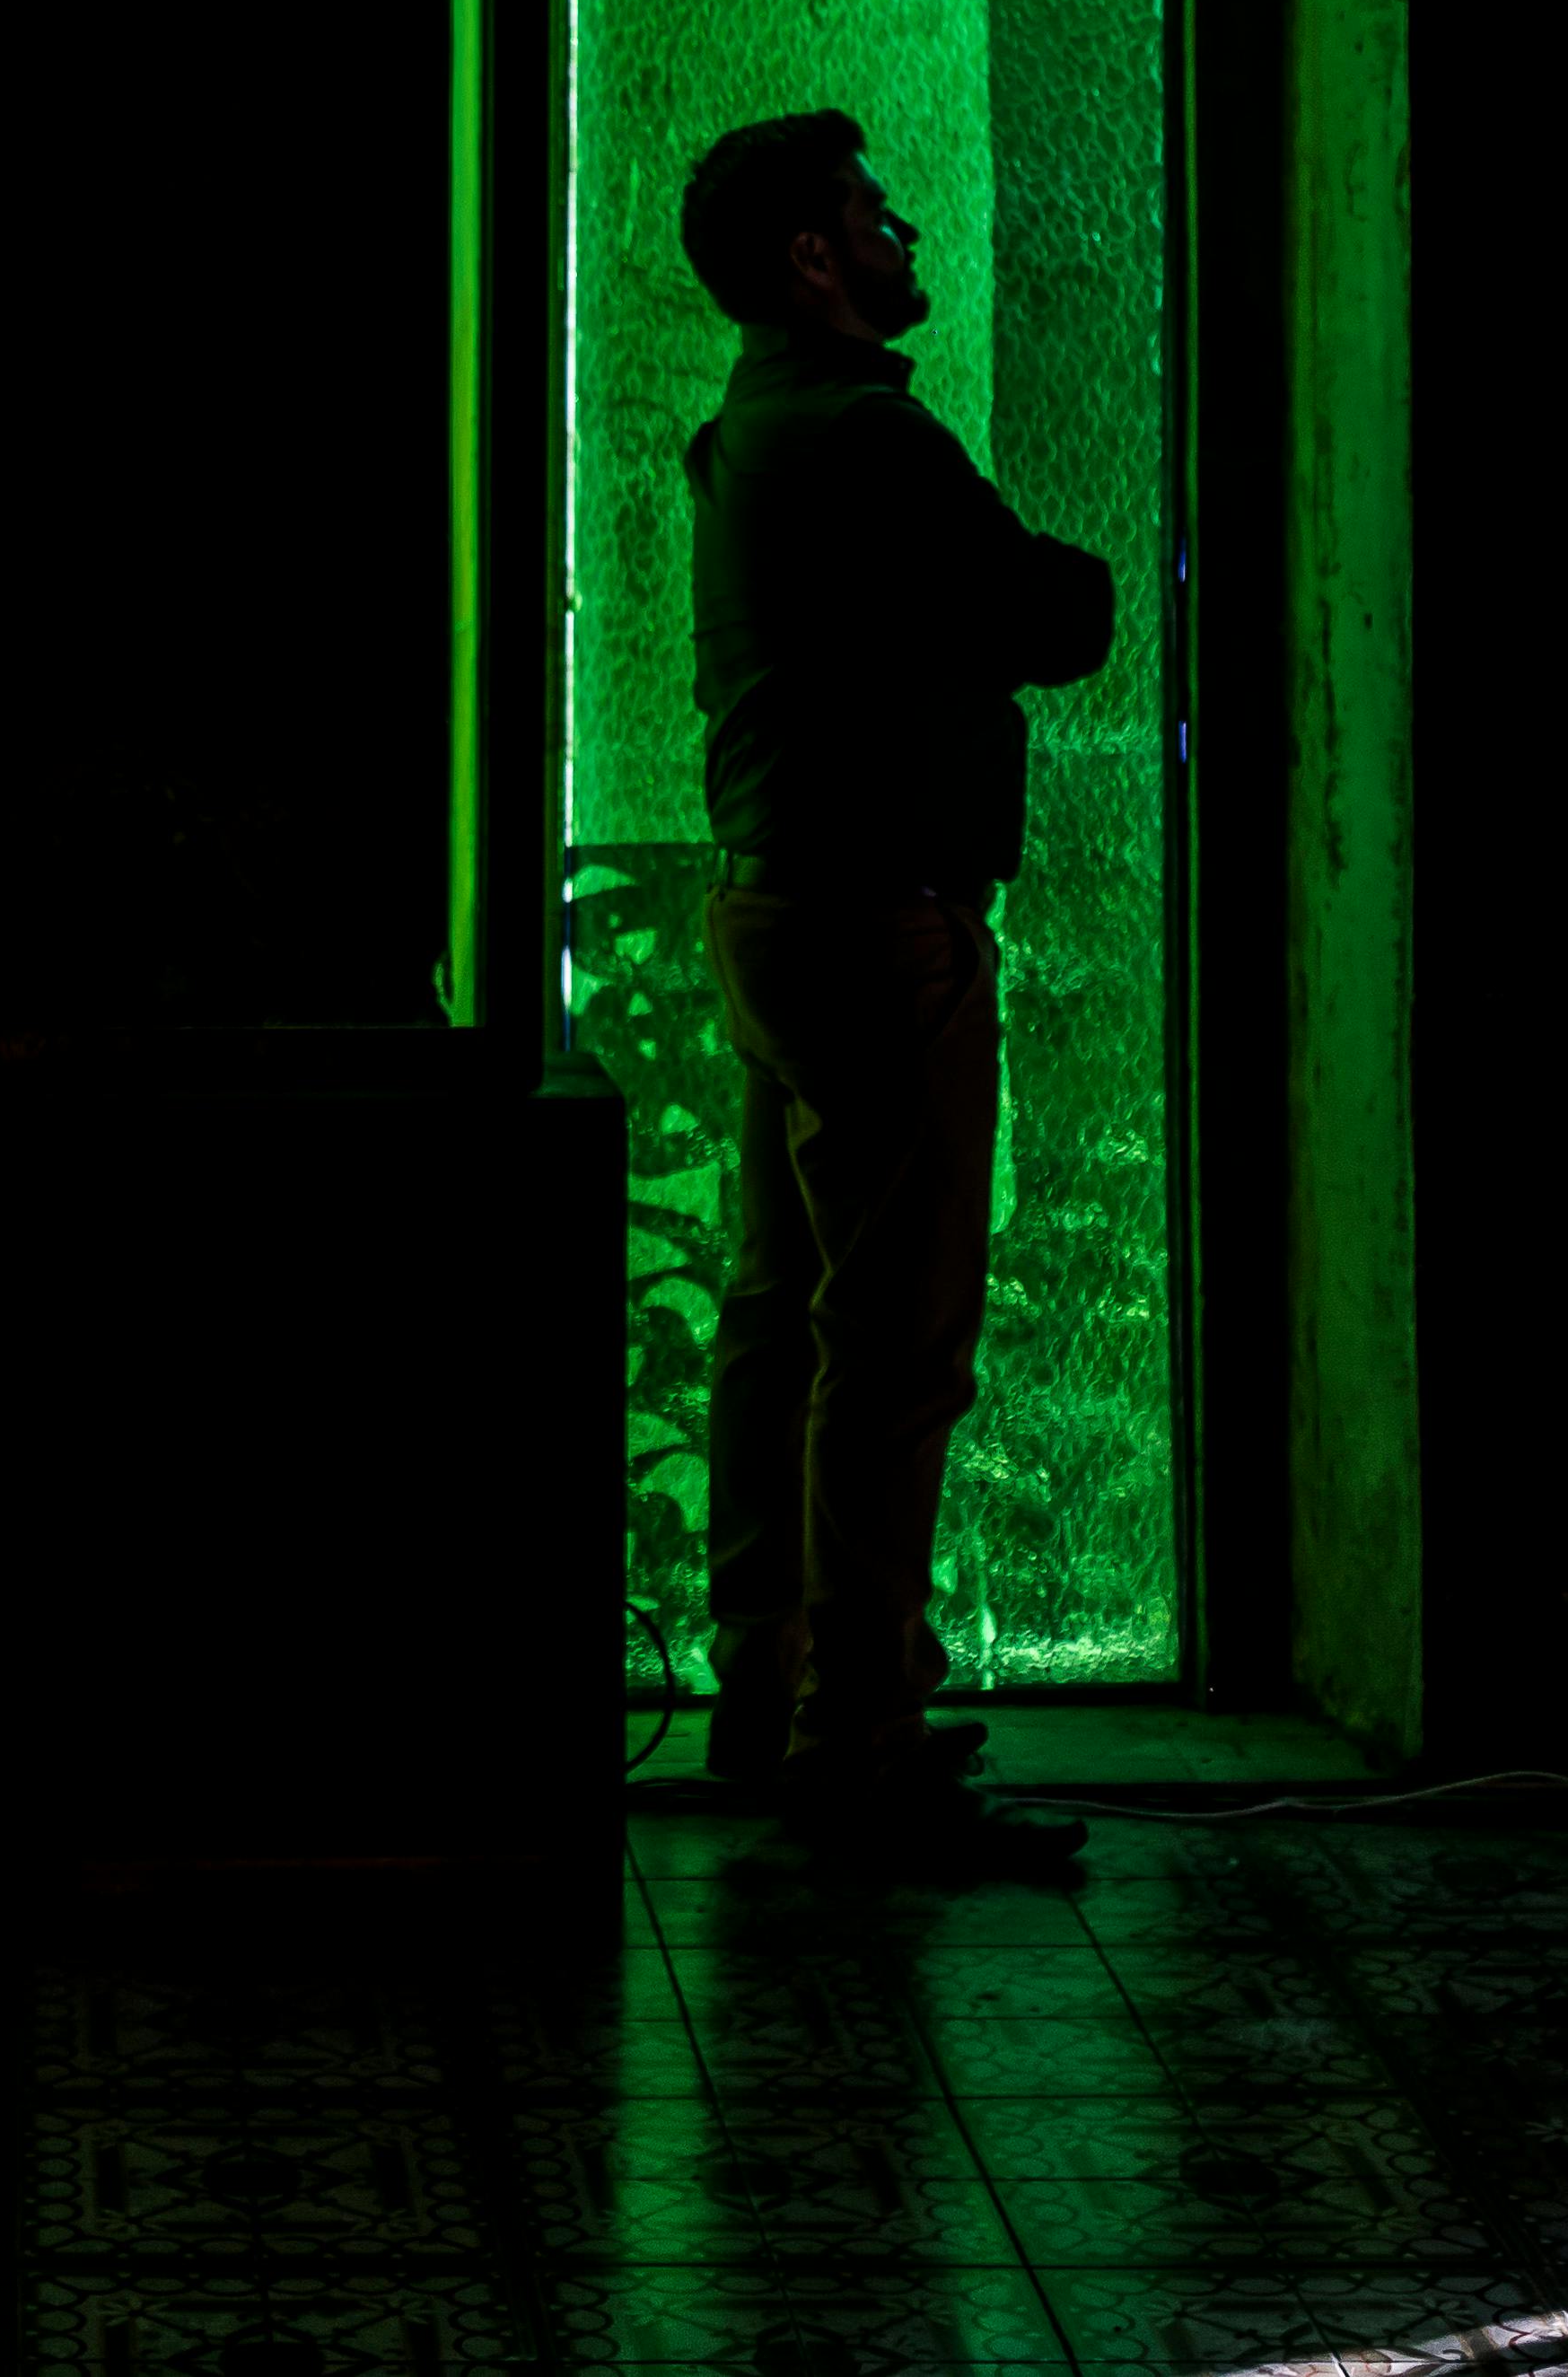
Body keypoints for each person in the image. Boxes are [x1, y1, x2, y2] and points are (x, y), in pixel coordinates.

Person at [680, 107, 1115, 1881]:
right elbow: (1053, 614)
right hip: (882, 931)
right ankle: (855, 1746)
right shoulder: (866, 438)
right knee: (894, 1345)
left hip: (775, 910)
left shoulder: (748, 434)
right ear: (810, 256)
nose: (900, 227)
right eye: (868, 212)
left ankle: (768, 1696)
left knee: (784, 1317)